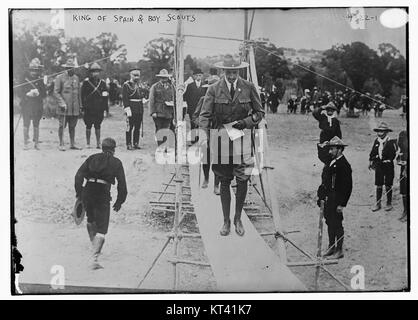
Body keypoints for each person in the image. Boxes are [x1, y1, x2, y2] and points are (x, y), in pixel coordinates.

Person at [199, 54, 265, 237]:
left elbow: (259, 112)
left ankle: (238, 218)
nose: (231, 76)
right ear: (223, 71)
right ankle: (226, 221)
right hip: (221, 138)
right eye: (228, 72)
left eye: (234, 72)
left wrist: (245, 122)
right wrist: (203, 135)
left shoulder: (249, 87)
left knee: (243, 179)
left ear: (239, 71)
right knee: (224, 180)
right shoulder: (213, 89)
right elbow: (204, 115)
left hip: (242, 137)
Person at [74, 137, 127, 269]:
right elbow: (122, 185)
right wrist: (120, 201)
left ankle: (94, 246)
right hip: (102, 193)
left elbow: (78, 176)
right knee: (102, 228)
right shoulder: (116, 162)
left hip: (88, 190)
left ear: (102, 148)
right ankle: (94, 259)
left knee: (90, 220)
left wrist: (79, 193)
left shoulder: (92, 158)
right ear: (113, 150)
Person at [317, 136, 352, 259]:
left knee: (337, 224)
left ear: (340, 150)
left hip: (337, 199)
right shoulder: (331, 161)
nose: (330, 151)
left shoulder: (344, 165)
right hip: (328, 199)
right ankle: (331, 247)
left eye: (332, 149)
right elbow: (325, 180)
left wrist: (342, 204)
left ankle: (339, 249)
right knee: (329, 222)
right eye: (330, 149)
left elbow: (348, 187)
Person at [192, 75, 221, 194]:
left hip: (218, 131)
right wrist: (201, 123)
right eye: (210, 87)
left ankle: (216, 185)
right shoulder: (203, 99)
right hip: (206, 131)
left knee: (219, 159)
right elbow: (195, 116)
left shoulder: (223, 100)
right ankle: (206, 178)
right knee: (206, 157)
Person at [54, 57, 82, 151]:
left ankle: (72, 144)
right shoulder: (59, 78)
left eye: (72, 67)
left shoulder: (76, 78)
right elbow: (56, 92)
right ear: (65, 68)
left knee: (72, 126)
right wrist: (61, 103)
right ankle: (61, 144)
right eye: (68, 67)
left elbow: (79, 93)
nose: (70, 69)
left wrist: (80, 106)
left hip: (74, 107)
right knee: (62, 126)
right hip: (64, 107)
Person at [368, 122, 398, 212]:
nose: (380, 133)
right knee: (378, 184)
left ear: (386, 132)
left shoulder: (391, 141)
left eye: (382, 132)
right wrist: (371, 161)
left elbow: (393, 154)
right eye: (379, 132)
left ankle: (389, 203)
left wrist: (389, 159)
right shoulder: (376, 141)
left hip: (388, 165)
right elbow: (373, 152)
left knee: (388, 184)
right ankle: (378, 203)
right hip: (379, 165)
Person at [18, 58, 46, 150]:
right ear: (29, 70)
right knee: (26, 123)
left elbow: (44, 93)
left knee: (36, 123)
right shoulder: (24, 79)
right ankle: (26, 143)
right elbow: (19, 92)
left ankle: (36, 143)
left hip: (37, 105)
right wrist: (27, 94)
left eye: (36, 70)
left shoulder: (40, 79)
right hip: (27, 104)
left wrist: (38, 93)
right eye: (32, 70)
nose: (34, 72)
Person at [81, 63, 108, 149]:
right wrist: (83, 107)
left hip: (99, 108)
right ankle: (88, 143)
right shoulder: (86, 83)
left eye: (97, 72)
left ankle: (98, 143)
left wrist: (105, 109)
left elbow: (105, 96)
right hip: (88, 108)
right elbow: (82, 95)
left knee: (98, 125)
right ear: (90, 73)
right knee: (88, 125)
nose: (95, 73)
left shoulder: (102, 83)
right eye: (93, 72)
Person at [122, 67, 149, 150]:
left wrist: (144, 99)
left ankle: (136, 143)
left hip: (139, 108)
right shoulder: (126, 85)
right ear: (131, 75)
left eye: (138, 76)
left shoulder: (140, 85)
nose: (137, 77)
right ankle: (129, 143)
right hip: (131, 108)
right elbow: (125, 98)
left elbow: (142, 95)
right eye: (135, 75)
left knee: (137, 127)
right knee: (129, 127)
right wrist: (127, 108)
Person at [149, 69, 175, 149]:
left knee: (166, 130)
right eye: (162, 78)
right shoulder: (155, 87)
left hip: (168, 112)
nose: (164, 79)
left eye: (165, 78)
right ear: (159, 78)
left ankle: (165, 146)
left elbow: (174, 98)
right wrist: (153, 112)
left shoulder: (171, 87)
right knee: (159, 129)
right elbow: (151, 100)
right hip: (158, 112)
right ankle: (160, 146)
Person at [397, 130, 408, 222]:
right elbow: (401, 149)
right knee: (404, 189)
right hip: (404, 166)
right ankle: (405, 211)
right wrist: (399, 159)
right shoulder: (402, 134)